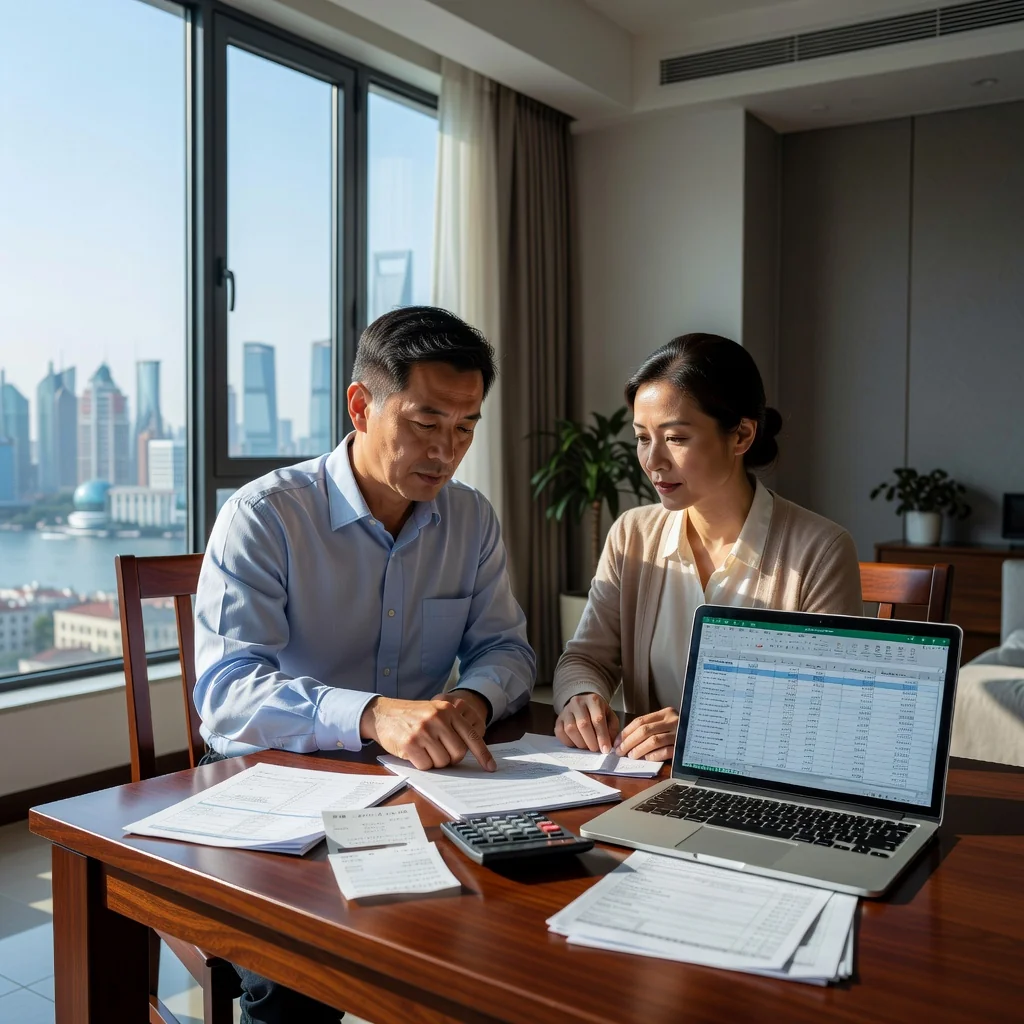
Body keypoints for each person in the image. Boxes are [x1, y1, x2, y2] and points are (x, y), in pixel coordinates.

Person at [194, 306, 536, 1023]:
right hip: (279, 794)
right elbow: (227, 695)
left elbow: (505, 649)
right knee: (302, 980)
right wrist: (374, 715)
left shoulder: (470, 520)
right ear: (361, 406)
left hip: (414, 792)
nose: (446, 450)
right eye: (425, 421)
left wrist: (471, 702)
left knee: (516, 935)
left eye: (466, 426)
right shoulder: (264, 518)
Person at [552, 333, 862, 764]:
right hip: (646, 782)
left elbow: (828, 711)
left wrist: (704, 730)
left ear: (741, 436)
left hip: (760, 792)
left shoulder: (821, 550)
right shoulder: (633, 534)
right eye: (643, 437)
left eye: (676, 438)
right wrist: (581, 696)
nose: (653, 461)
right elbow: (586, 658)